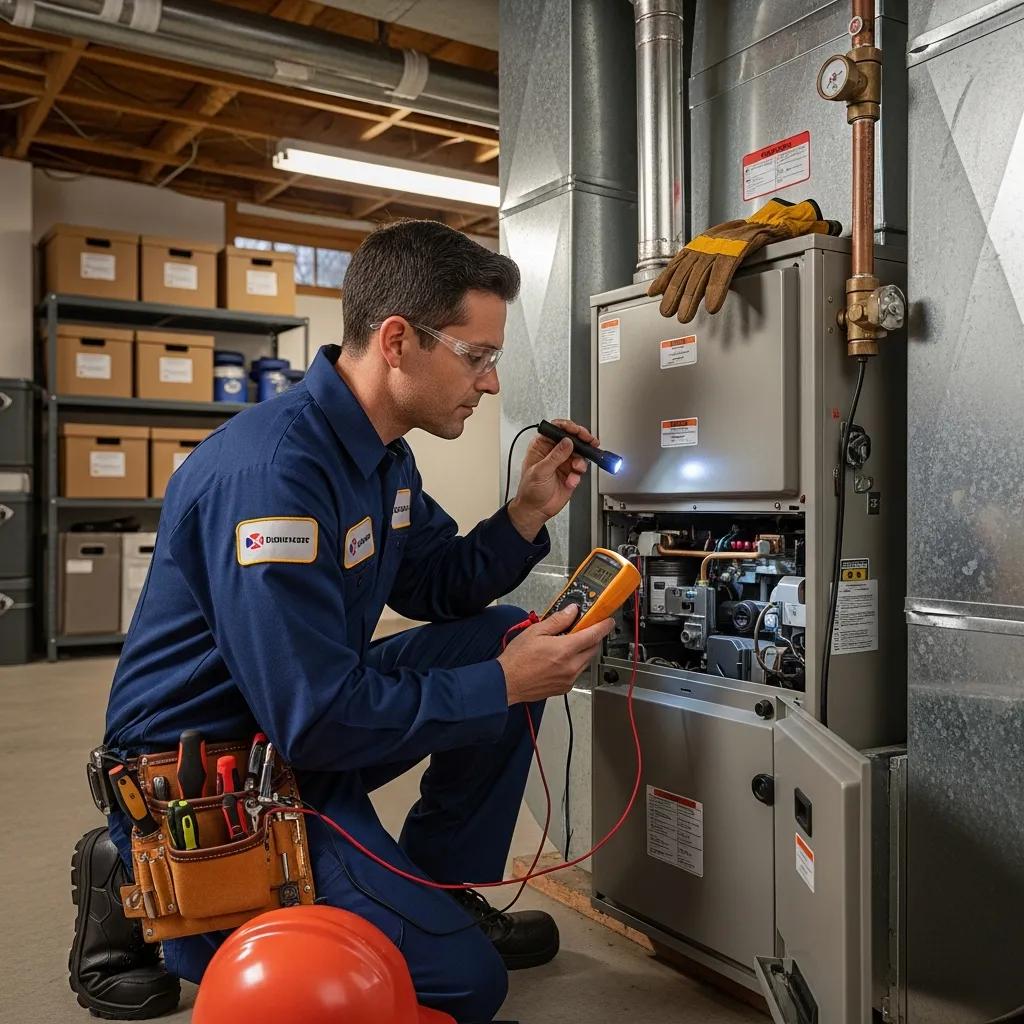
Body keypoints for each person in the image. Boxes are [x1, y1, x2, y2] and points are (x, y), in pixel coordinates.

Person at [69, 219, 614, 1024]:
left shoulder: (382, 451)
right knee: (464, 986)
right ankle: (139, 880)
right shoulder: (276, 475)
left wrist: (527, 512)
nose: (491, 384)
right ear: (397, 340)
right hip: (215, 776)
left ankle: (438, 889)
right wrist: (499, 686)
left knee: (505, 633)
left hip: (298, 724)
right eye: (477, 357)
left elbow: (436, 582)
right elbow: (316, 721)